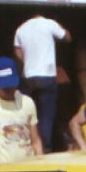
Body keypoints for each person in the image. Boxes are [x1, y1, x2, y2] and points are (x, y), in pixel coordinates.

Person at [14, 14, 70, 151]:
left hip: (28, 77)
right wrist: (59, 26)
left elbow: (17, 51)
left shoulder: (21, 28)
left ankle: (26, 146)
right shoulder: (49, 23)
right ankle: (45, 148)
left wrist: (26, 63)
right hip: (47, 76)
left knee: (26, 112)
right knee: (46, 115)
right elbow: (67, 37)